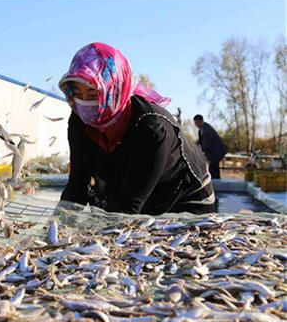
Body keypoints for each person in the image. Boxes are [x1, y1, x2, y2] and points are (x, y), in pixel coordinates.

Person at [57, 43, 215, 215]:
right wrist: (54, 227)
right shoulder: (79, 119)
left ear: (114, 89)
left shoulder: (151, 127)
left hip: (183, 198)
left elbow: (127, 207)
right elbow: (77, 184)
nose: (86, 103)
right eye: (78, 94)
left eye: (94, 94)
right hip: (134, 193)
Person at [193, 115, 228, 179]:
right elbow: (200, 141)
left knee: (213, 168)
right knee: (214, 168)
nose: (196, 124)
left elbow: (206, 145)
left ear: (201, 121)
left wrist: (198, 151)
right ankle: (216, 182)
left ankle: (215, 184)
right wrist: (193, 146)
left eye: (197, 122)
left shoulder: (206, 130)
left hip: (216, 151)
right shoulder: (202, 129)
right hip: (214, 151)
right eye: (195, 123)